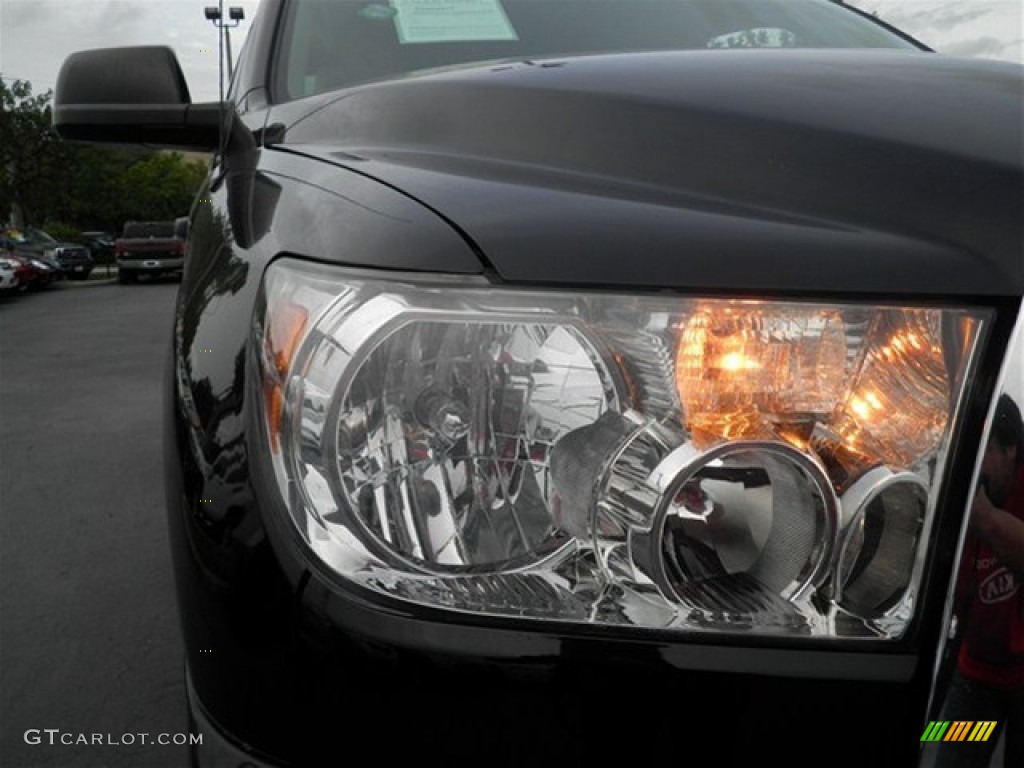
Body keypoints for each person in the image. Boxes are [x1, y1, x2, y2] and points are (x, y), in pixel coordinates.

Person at [936, 394, 1024, 768]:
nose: (971, 464)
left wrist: (985, 518)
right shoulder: (958, 486)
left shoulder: (983, 503)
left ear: (1010, 449)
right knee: (947, 755)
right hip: (973, 672)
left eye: (981, 450)